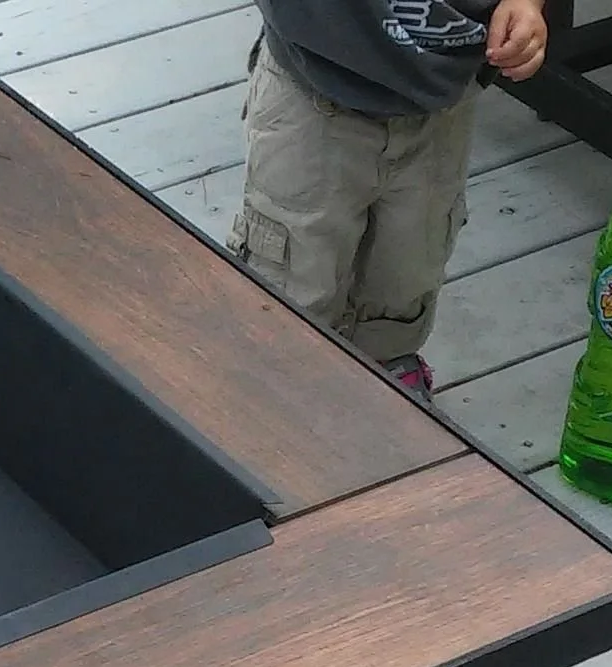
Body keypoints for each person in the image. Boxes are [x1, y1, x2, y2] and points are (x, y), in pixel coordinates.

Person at [228, 0, 549, 396]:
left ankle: (389, 361)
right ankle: (283, 382)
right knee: (294, 269)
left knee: (410, 259)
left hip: (444, 97)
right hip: (315, 86)